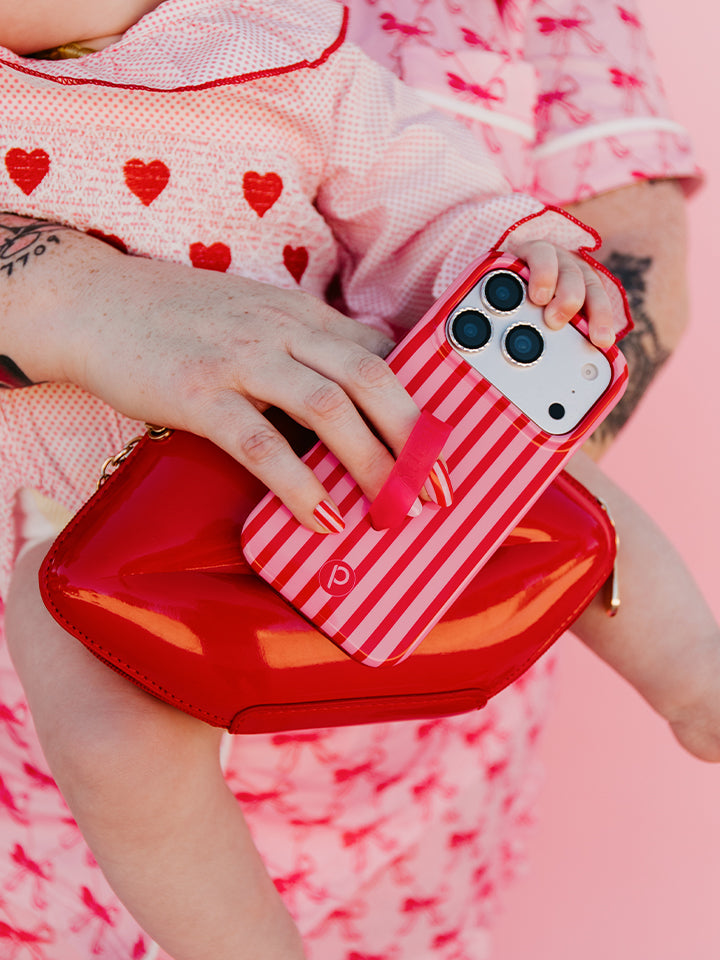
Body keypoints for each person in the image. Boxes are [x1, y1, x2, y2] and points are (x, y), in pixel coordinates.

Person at [0, 2, 711, 960]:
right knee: (96, 711)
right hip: (104, 524)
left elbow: (422, 193)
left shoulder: (274, 45)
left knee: (550, 489)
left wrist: (522, 262)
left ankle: (700, 682)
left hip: (357, 433)